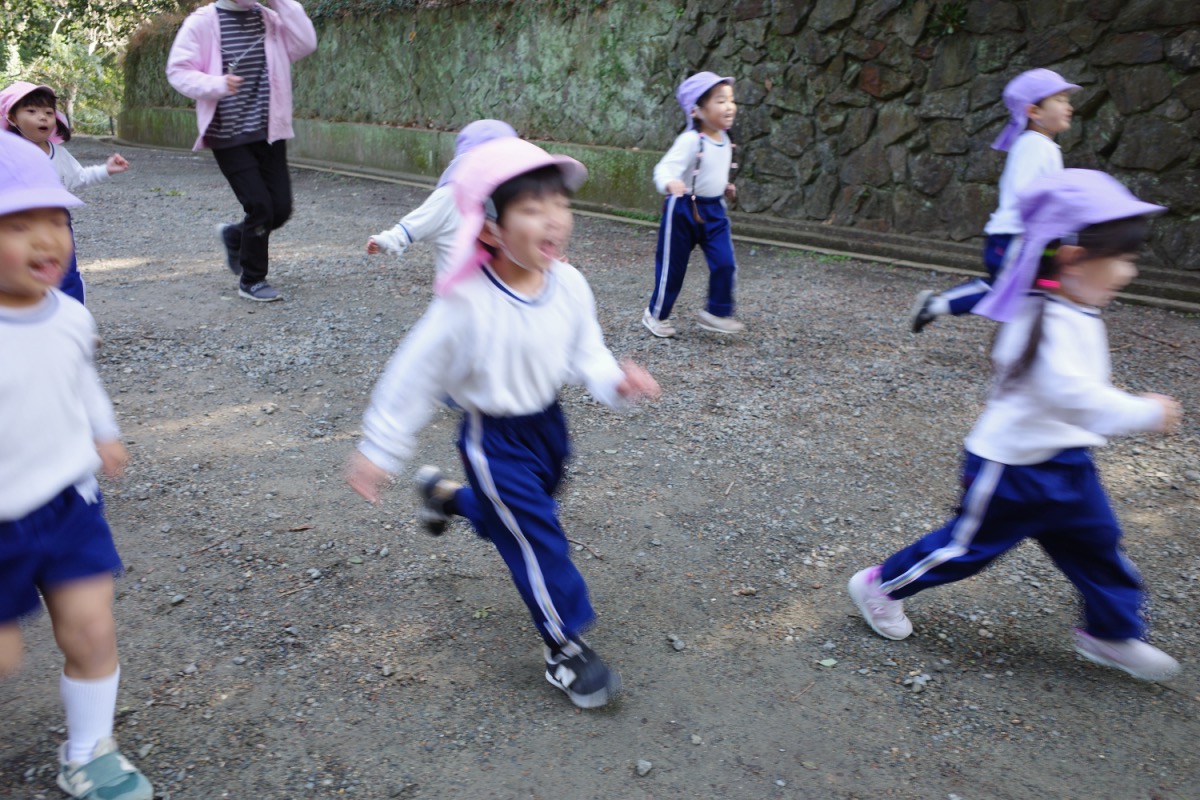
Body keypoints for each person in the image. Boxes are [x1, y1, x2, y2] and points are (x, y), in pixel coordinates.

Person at [346, 137, 661, 709]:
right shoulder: (464, 304)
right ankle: (564, 648)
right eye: (533, 208)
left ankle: (444, 495)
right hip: (492, 440)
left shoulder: (569, 284)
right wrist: (379, 449)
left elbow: (586, 352)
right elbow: (412, 376)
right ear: (491, 228)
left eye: (560, 204)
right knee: (538, 536)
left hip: (548, 429)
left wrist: (615, 383)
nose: (555, 218)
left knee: (516, 516)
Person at [850, 170, 1182, 683]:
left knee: (1098, 545)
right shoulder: (1038, 318)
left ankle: (1112, 633)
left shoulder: (1072, 307)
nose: (1130, 272)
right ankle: (881, 586)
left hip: (1068, 462)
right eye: (1123, 258)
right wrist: (1145, 411)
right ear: (1072, 258)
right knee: (966, 549)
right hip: (1012, 470)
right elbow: (1075, 399)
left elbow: (1078, 397)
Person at [0, 134, 152, 799]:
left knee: (92, 629)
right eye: (17, 225)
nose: (46, 239)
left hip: (69, 503)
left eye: (56, 219)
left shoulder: (69, 316)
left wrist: (105, 432)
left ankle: (88, 750)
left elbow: (80, 377)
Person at [166, 0, 317, 302]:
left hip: (269, 131)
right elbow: (178, 70)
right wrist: (216, 84)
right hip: (228, 135)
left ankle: (235, 235)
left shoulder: (270, 18)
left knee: (281, 209)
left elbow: (306, 44)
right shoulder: (203, 21)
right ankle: (252, 279)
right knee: (259, 206)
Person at [910, 68, 1079, 333]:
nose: (1068, 107)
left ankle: (1027, 341)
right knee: (1005, 289)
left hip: (1017, 235)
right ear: (1034, 111)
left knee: (1027, 290)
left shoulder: (1039, 144)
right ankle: (936, 304)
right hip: (1017, 236)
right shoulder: (1036, 146)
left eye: (1067, 100)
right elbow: (1027, 193)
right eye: (1059, 100)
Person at [1, 81, 129, 304]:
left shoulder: (57, 154)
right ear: (12, 118)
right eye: (31, 111)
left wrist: (106, 169)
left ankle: (71, 314)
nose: (42, 118)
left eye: (48, 113)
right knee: (15, 271)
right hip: (13, 223)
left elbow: (78, 177)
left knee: (64, 272)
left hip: (55, 221)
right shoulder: (6, 154)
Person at [642, 71, 743, 338]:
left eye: (731, 100)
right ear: (697, 110)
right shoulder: (690, 140)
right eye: (720, 101)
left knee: (725, 262)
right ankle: (655, 314)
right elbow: (664, 168)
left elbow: (711, 171)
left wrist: (724, 186)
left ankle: (716, 312)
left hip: (714, 210)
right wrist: (669, 183)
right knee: (672, 268)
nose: (729, 106)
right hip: (683, 209)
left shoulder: (725, 138)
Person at [367, 119, 517, 278]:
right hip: (460, 289)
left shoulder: (517, 200)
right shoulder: (451, 196)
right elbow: (414, 225)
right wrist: (387, 240)